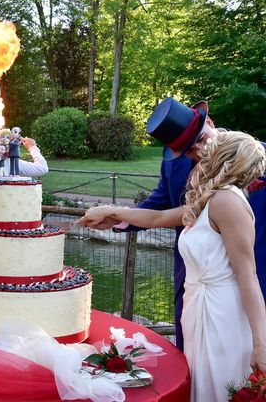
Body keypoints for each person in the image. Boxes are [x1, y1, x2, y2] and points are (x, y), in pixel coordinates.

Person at [77, 131, 266, 402]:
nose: (202, 152)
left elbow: (248, 276)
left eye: (211, 147)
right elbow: (159, 216)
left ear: (226, 157)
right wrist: (110, 211)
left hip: (223, 317)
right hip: (199, 309)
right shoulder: (211, 198)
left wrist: (261, 343)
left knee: (220, 387)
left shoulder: (228, 202)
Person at [94, 97, 266, 351]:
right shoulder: (173, 167)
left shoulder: (254, 156)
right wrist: (118, 218)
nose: (200, 150)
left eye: (200, 138)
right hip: (196, 278)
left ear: (209, 121)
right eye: (189, 150)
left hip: (257, 270)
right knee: (191, 355)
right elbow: (160, 209)